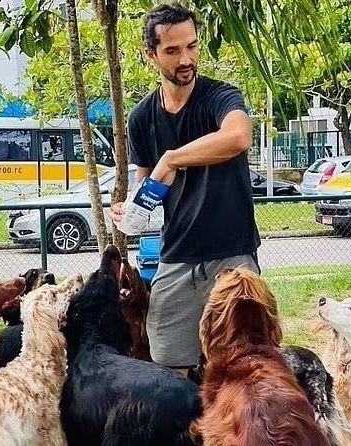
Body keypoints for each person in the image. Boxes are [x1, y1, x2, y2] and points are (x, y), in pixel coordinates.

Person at [110, 3, 261, 376]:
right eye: (173, 50)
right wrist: (131, 209)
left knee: (247, 371)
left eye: (191, 47)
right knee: (167, 370)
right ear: (150, 54)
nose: (186, 58)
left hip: (234, 258)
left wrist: (173, 158)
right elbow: (149, 187)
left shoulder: (220, 97)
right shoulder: (142, 117)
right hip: (176, 257)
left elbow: (238, 136)